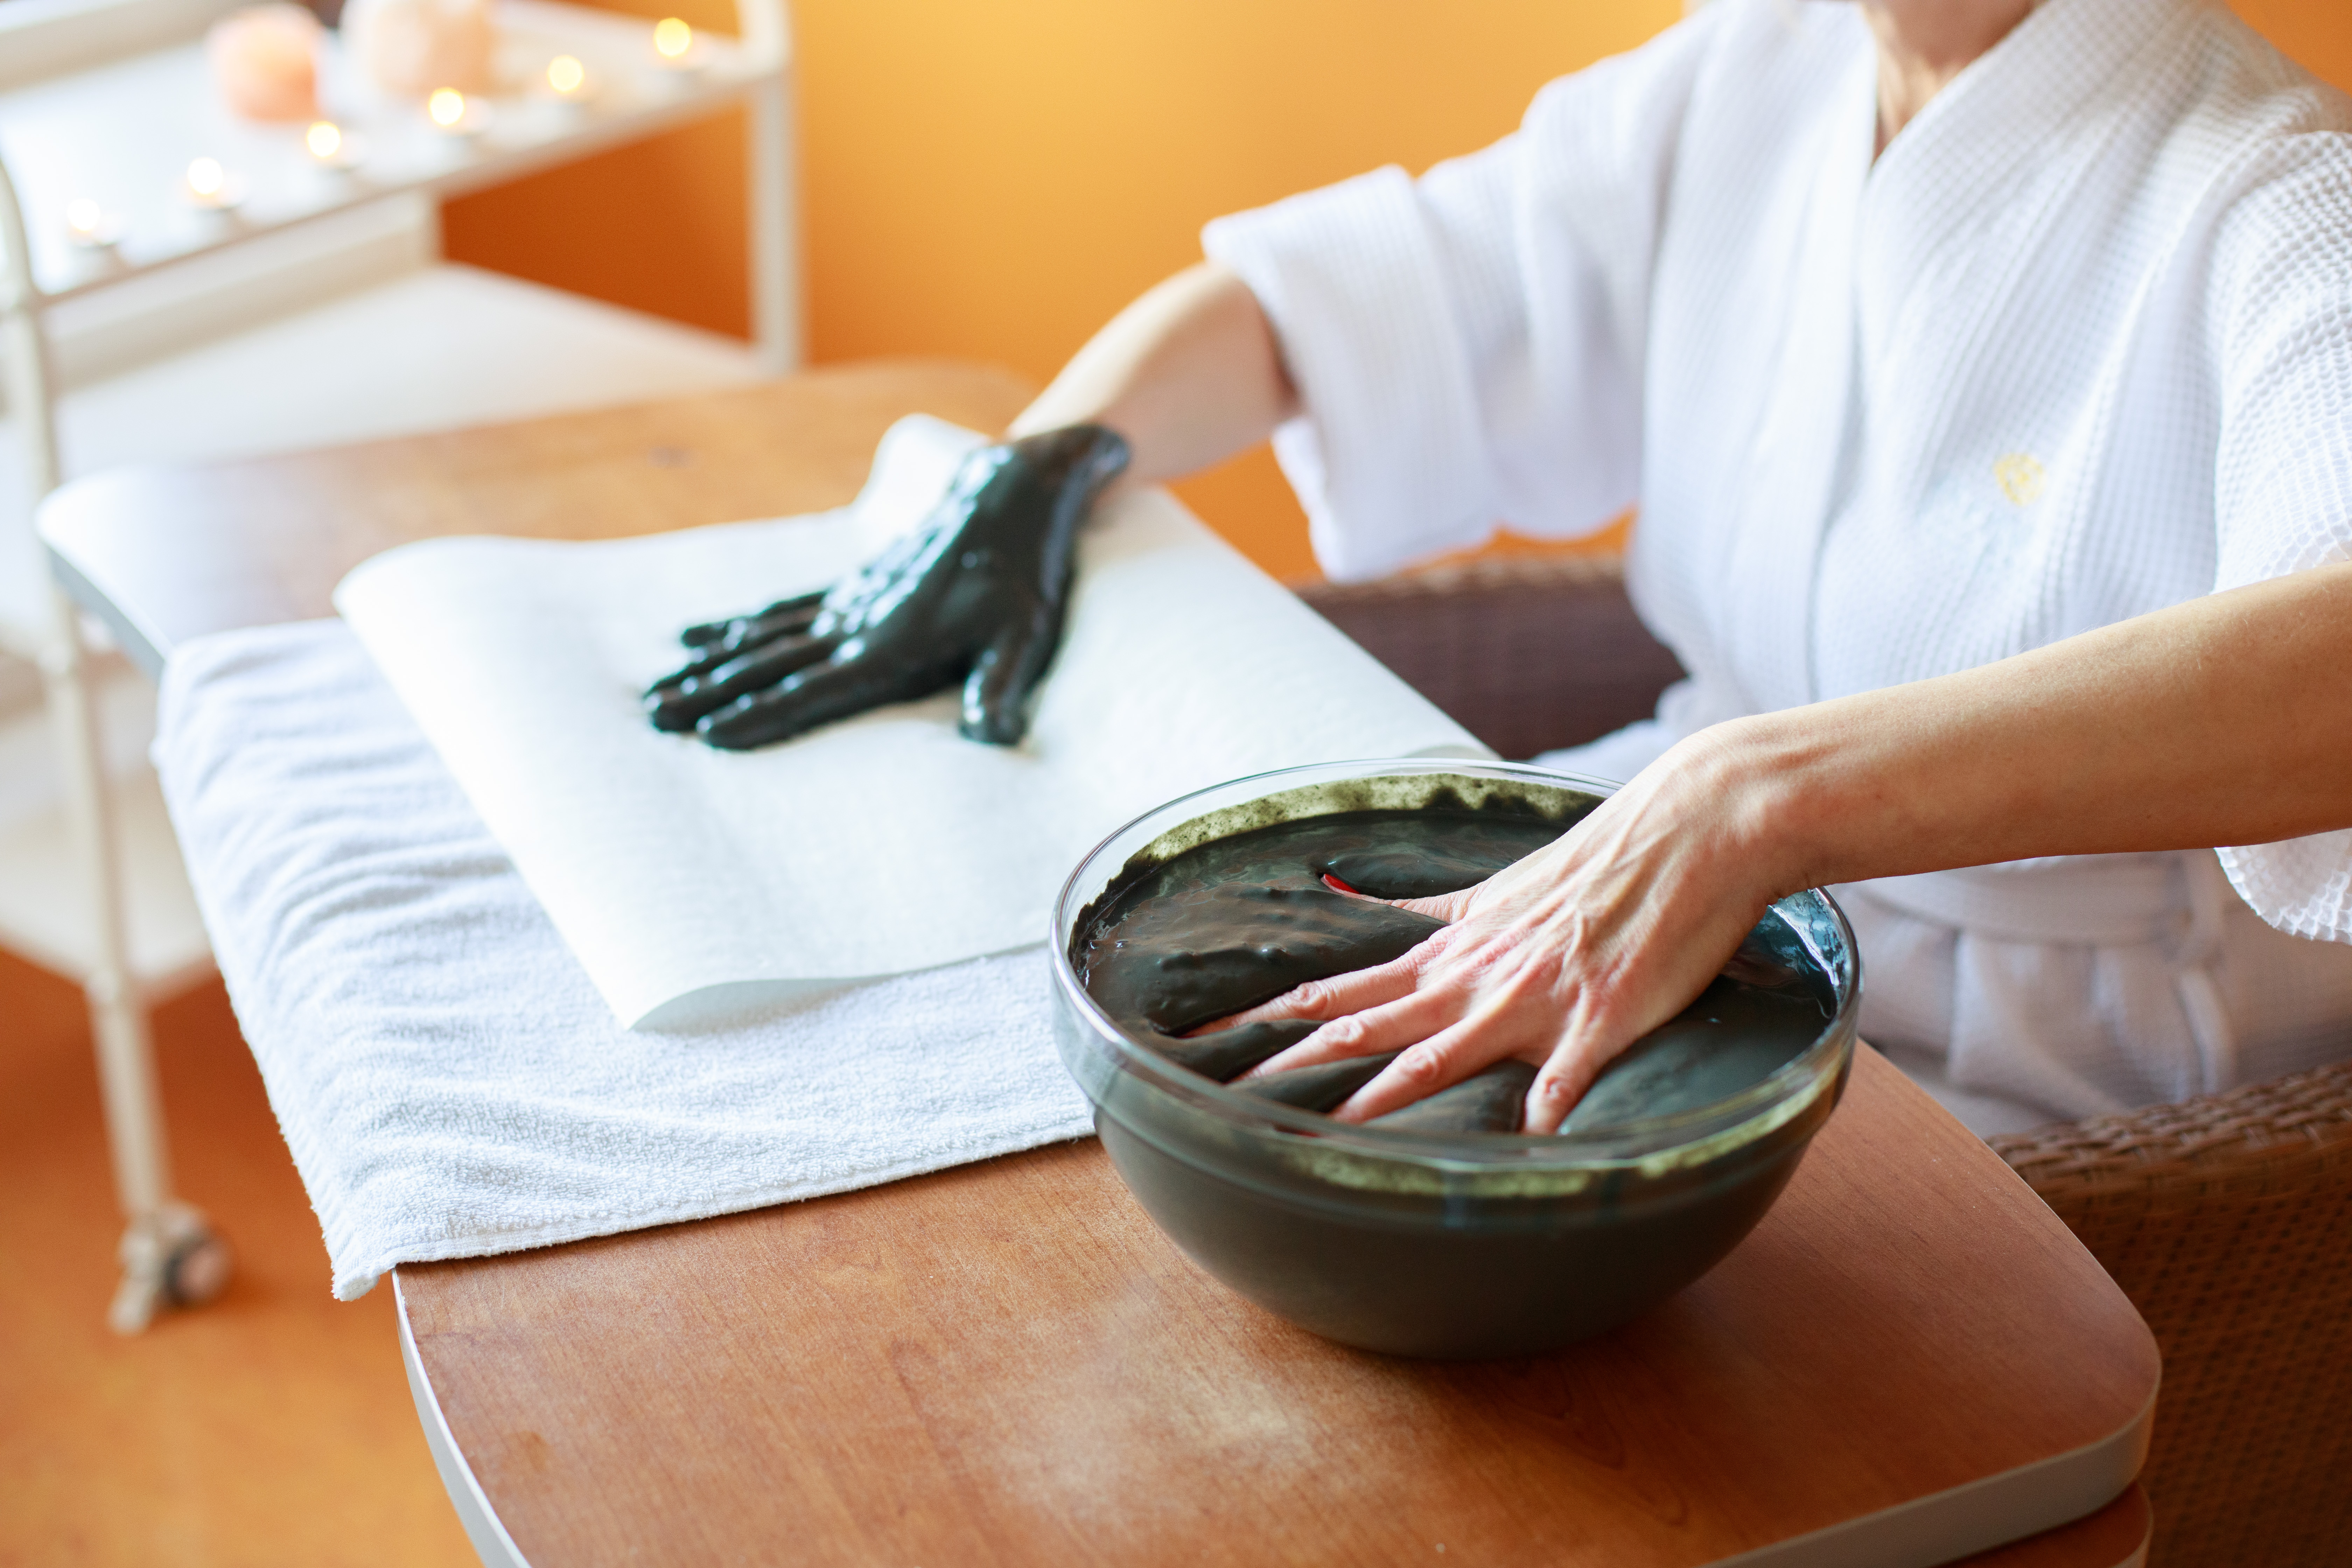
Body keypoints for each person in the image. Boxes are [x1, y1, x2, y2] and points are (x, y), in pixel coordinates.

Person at [677, 0, 2352, 1137]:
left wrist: (1753, 799)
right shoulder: (1754, 73)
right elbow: (1346, 304)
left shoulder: (2283, 193)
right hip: (1687, 875)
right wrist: (1045, 467)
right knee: (1095, 1075)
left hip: (2061, 1073)